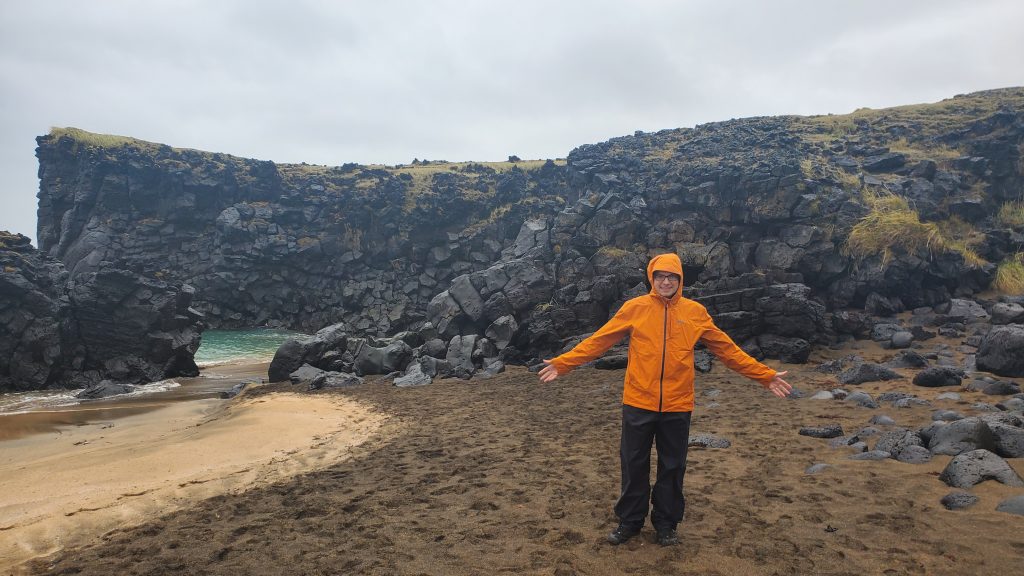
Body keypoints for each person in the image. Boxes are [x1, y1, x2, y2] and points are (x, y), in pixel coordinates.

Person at [538, 252, 792, 547]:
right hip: (637, 401)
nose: (666, 281)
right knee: (634, 464)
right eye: (660, 276)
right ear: (652, 278)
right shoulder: (635, 308)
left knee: (673, 466)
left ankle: (666, 524)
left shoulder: (695, 312)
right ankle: (630, 522)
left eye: (672, 276)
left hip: (677, 404)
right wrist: (564, 363)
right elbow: (600, 340)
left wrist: (764, 375)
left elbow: (728, 350)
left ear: (680, 280)